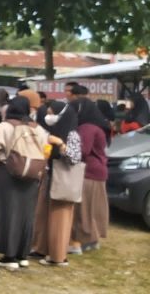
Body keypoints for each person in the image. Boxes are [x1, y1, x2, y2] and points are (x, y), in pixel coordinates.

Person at [0, 96, 48, 270]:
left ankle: (9, 256)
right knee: (26, 214)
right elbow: (45, 148)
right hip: (32, 175)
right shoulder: (37, 128)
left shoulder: (6, 126)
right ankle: (22, 255)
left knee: (7, 212)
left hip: (8, 174)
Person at [31, 101, 81, 267]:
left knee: (60, 219)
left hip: (63, 180)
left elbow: (75, 157)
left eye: (52, 112)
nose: (48, 115)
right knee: (42, 215)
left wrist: (60, 144)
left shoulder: (72, 134)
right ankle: (40, 248)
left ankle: (58, 256)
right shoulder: (52, 131)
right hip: (49, 176)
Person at [69, 98, 110, 254]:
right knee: (94, 209)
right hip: (98, 171)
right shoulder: (97, 126)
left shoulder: (86, 128)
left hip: (89, 172)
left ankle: (81, 241)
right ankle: (93, 239)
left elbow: (82, 150)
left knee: (84, 209)